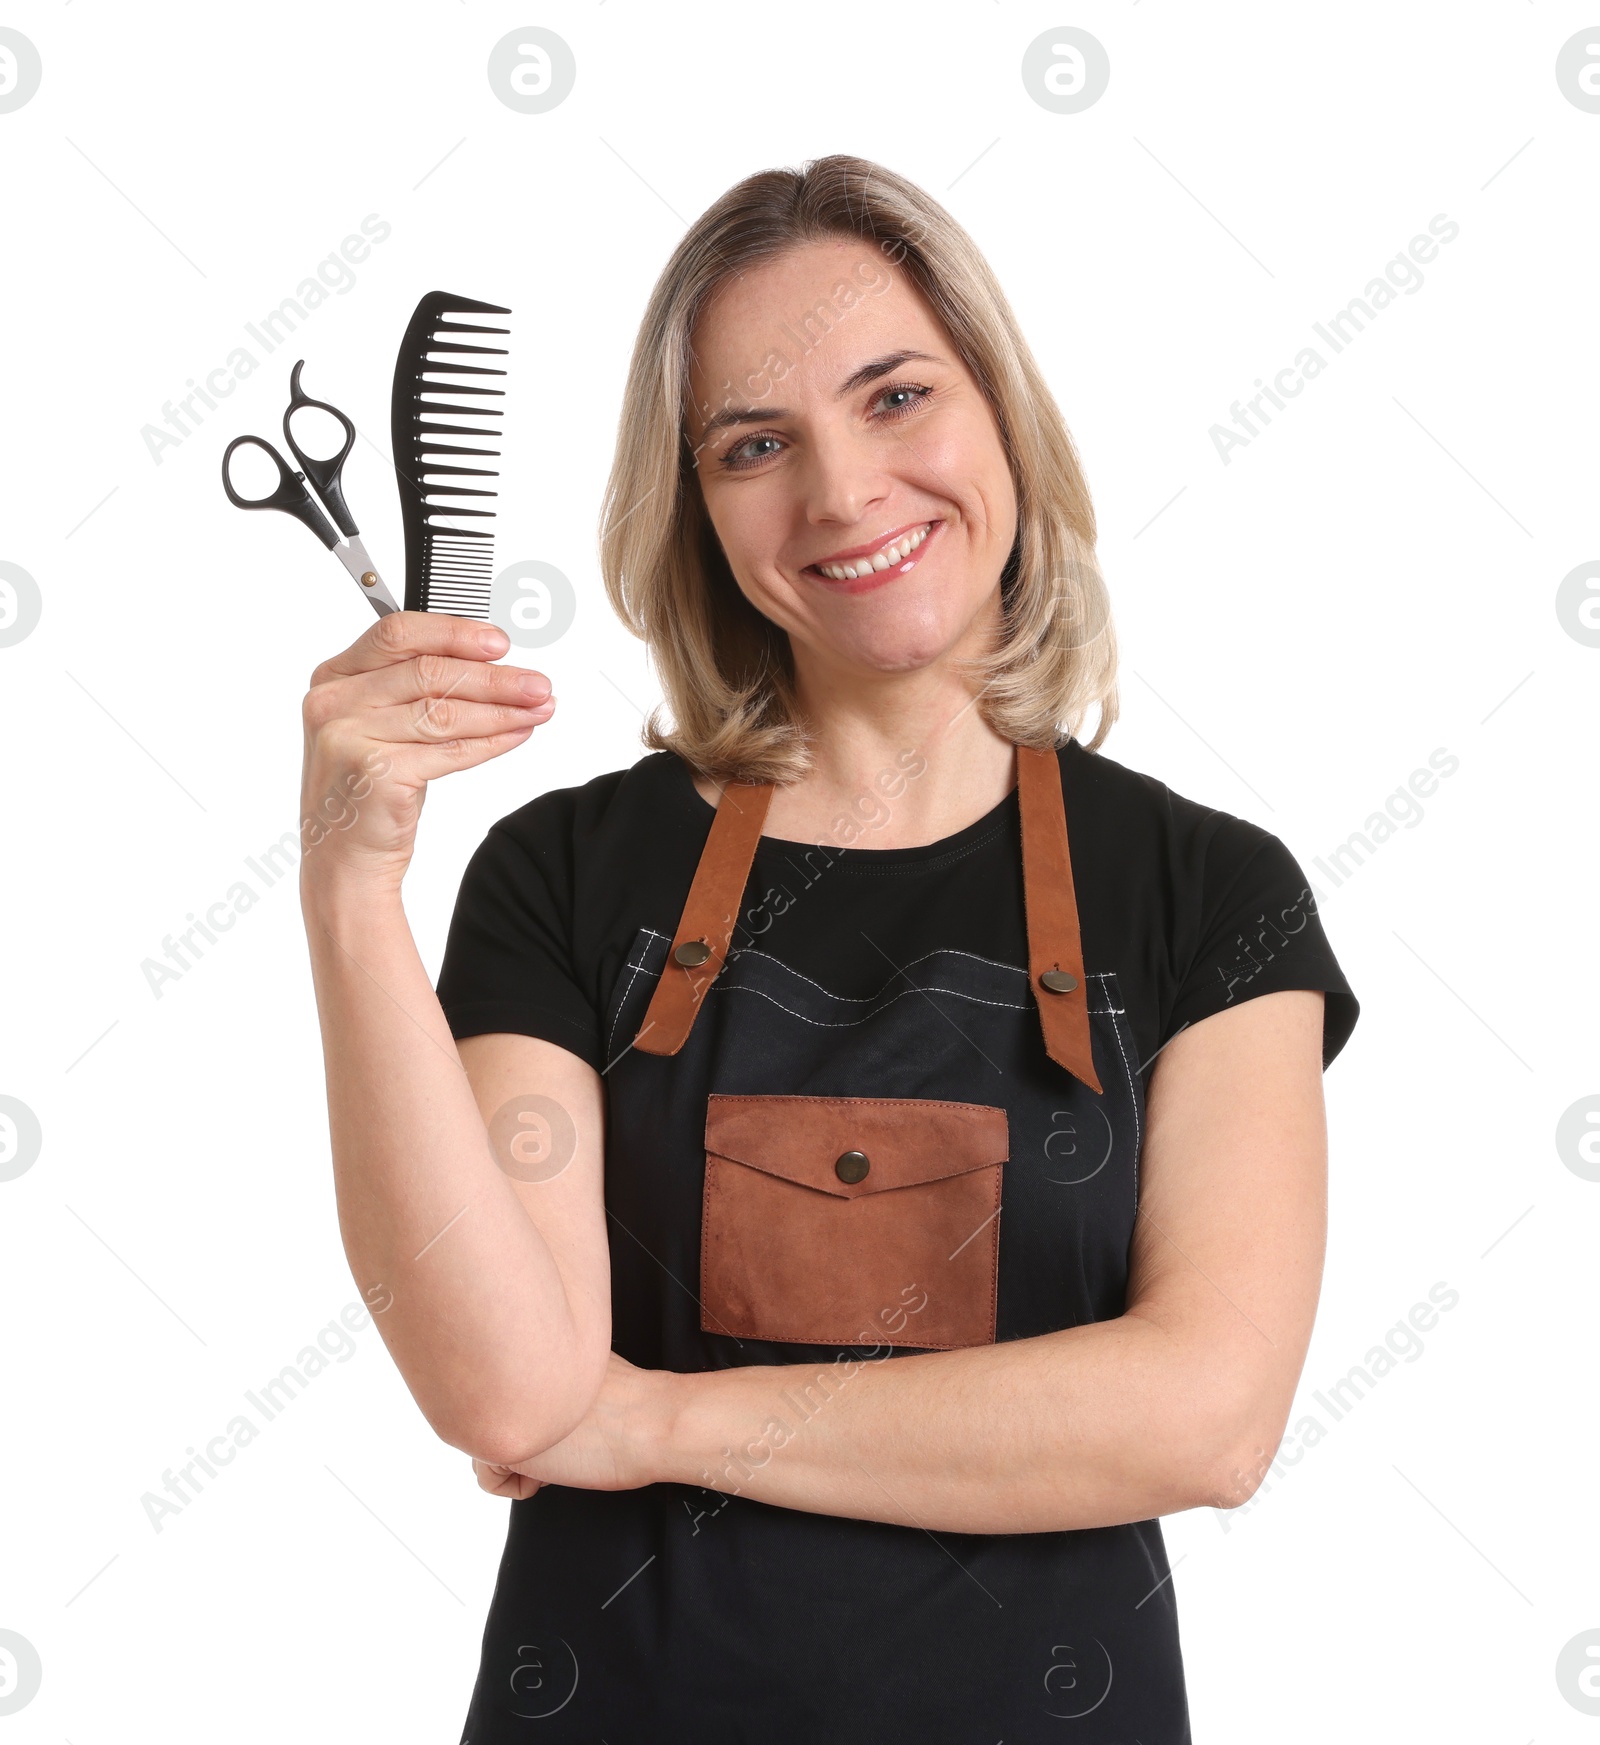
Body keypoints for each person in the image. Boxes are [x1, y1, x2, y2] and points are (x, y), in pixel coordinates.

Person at [298, 154, 1359, 1743]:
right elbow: (512, 1393)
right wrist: (349, 892)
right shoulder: (563, 876)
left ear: (999, 405)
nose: (845, 493)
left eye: (894, 396)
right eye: (753, 444)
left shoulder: (1211, 895)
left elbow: (1205, 1416)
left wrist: (649, 1415)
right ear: (698, 507)